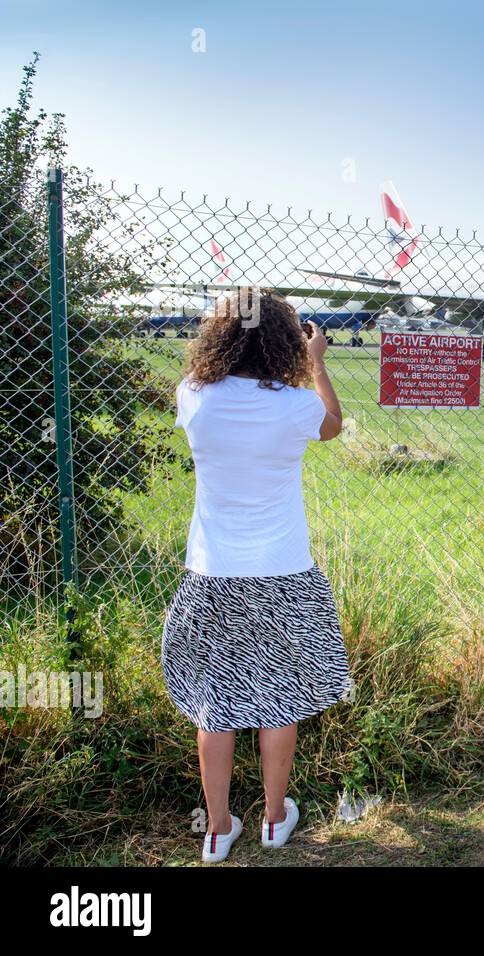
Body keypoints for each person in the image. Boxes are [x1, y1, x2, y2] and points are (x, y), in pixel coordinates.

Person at [162, 288, 350, 863]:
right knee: (281, 697)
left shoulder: (194, 397)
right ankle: (273, 818)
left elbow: (204, 394)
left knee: (214, 701)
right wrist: (316, 365)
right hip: (283, 572)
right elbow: (333, 424)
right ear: (282, 341)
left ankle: (218, 829)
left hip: (212, 573)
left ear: (218, 337)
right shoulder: (295, 406)